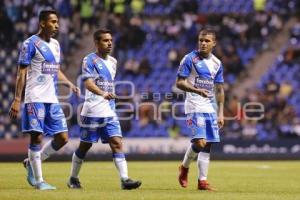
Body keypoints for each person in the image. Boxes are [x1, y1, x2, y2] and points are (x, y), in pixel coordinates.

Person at [9, 10, 80, 190]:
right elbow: (21, 72)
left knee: (63, 138)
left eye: (58, 22)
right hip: (35, 98)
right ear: (42, 23)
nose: (57, 25)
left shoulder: (56, 45)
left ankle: (30, 162)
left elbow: (54, 69)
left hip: (52, 99)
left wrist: (69, 83)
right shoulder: (30, 44)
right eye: (53, 22)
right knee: (36, 137)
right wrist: (17, 99)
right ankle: (39, 180)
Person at [67, 29, 142, 190]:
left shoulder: (113, 62)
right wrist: (102, 93)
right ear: (96, 43)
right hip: (92, 110)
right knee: (84, 146)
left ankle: (124, 179)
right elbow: (88, 83)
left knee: (117, 143)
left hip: (109, 110)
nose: (109, 43)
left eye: (110, 40)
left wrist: (110, 96)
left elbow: (108, 84)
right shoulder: (89, 60)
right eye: (105, 40)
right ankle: (73, 178)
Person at [176, 28, 225, 191]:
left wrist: (221, 113)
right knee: (200, 142)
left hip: (210, 107)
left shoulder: (217, 63)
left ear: (214, 43)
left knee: (208, 144)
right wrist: (197, 91)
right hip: (194, 105)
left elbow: (220, 89)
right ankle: (184, 167)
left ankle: (202, 181)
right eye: (201, 40)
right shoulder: (189, 58)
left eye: (207, 41)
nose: (203, 43)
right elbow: (179, 83)